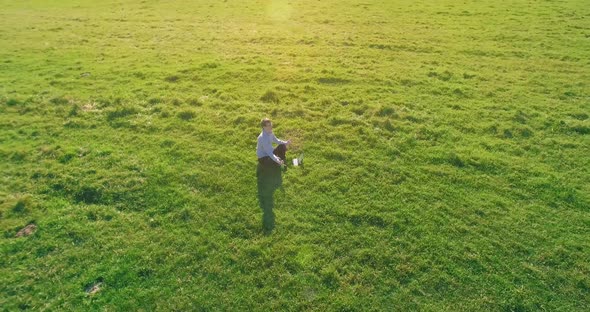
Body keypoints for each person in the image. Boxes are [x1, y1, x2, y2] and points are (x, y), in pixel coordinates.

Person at [256, 118, 290, 234]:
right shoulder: (263, 138)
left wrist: (285, 142)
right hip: (264, 158)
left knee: (282, 147)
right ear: (263, 127)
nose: (271, 128)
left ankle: (281, 162)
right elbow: (270, 153)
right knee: (276, 161)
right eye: (268, 126)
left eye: (271, 125)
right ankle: (280, 163)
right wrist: (277, 160)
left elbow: (276, 140)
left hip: (269, 154)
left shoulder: (270, 133)